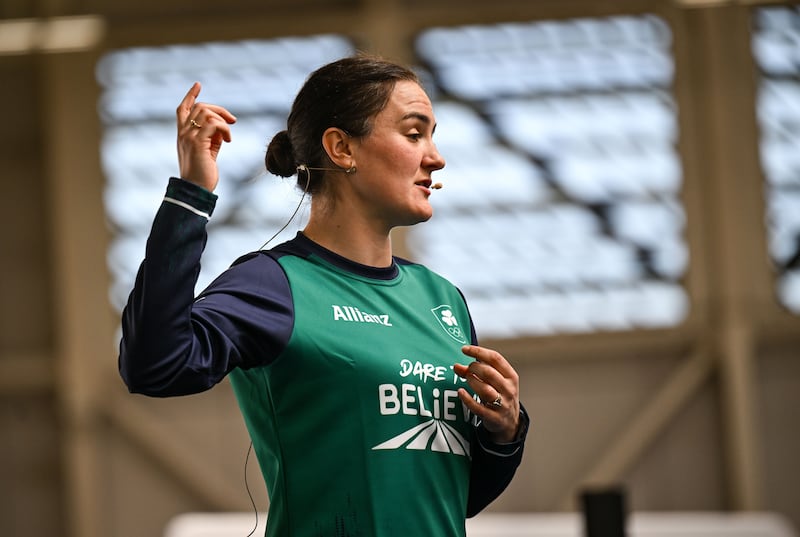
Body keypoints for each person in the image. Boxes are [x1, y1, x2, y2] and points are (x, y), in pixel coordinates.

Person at [119, 54, 529, 537]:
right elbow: (154, 366)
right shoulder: (275, 283)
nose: (435, 156)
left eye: (432, 136)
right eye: (415, 134)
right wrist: (191, 194)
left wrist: (504, 433)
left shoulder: (442, 299)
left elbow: (452, 497)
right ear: (341, 148)